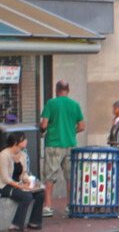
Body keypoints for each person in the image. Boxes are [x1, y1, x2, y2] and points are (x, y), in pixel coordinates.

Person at [40, 80, 84, 218]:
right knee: (70, 176)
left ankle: (47, 206)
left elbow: (44, 124)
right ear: (68, 89)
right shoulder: (75, 105)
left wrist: (43, 131)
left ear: (56, 90)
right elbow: (82, 126)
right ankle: (70, 205)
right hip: (70, 144)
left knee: (49, 175)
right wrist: (70, 132)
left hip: (53, 143)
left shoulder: (51, 103)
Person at [0, 132, 45, 230]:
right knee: (26, 197)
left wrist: (26, 180)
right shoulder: (4, 155)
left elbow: (24, 172)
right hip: (4, 186)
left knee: (40, 194)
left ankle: (34, 222)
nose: (26, 141)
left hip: (18, 184)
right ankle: (16, 224)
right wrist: (21, 187)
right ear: (16, 142)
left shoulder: (23, 155)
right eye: (23, 139)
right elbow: (5, 178)